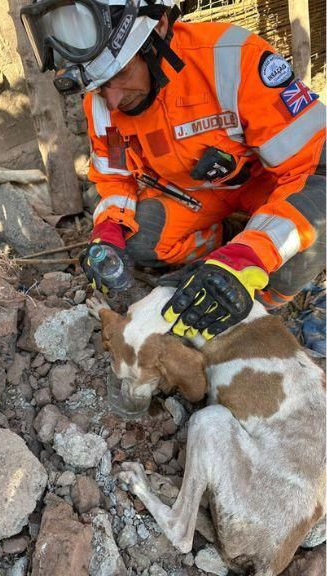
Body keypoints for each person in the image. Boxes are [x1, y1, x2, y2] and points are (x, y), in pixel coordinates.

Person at [19, 0, 325, 339]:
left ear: (160, 28)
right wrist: (107, 229)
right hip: (197, 198)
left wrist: (249, 256)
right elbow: (115, 176)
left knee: (310, 231)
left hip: (271, 190)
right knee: (136, 242)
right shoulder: (103, 102)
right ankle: (226, 248)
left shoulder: (231, 58)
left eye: (120, 74)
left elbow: (314, 170)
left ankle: (264, 304)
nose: (114, 99)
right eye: (99, 86)